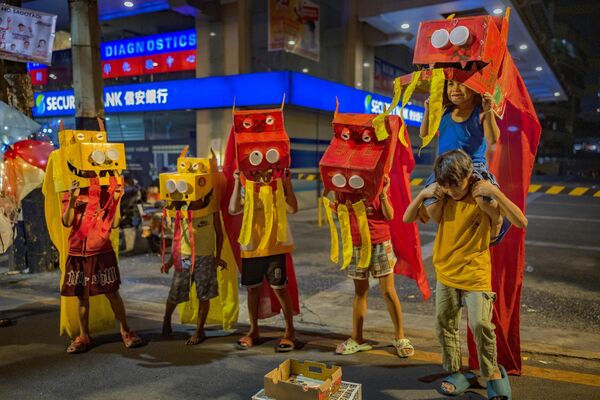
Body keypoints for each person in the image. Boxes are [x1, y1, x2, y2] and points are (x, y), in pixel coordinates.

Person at [404, 150, 527, 399]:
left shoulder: (483, 198)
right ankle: (455, 371)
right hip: (446, 272)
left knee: (481, 324)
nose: (452, 191)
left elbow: (520, 221)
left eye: (456, 185)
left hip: (475, 273)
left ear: (470, 175)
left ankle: (491, 373)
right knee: (444, 325)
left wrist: (494, 192)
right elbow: (407, 218)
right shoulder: (441, 197)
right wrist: (422, 194)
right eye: (446, 187)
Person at [327, 176, 414, 358]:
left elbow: (390, 215)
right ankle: (357, 338)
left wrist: (382, 193)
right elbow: (337, 210)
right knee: (360, 292)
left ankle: (400, 337)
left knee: (388, 291)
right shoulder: (343, 185)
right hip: (356, 243)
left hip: (380, 241)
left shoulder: (377, 181)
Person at [61, 180, 143, 353]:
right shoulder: (71, 190)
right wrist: (73, 200)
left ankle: (125, 330)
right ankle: (84, 335)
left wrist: (116, 199)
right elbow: (67, 222)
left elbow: (114, 224)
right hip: (77, 253)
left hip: (102, 250)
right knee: (81, 296)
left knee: (112, 292)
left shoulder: (106, 191)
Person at [228, 168, 297, 352]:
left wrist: (287, 182)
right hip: (251, 247)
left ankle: (289, 331)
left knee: (280, 289)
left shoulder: (278, 186)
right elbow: (233, 209)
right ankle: (253, 331)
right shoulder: (247, 186)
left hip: (275, 245)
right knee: (252, 291)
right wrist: (236, 180)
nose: (264, 174)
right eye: (259, 170)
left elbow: (292, 208)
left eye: (268, 169)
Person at [420, 80, 501, 212]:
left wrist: (489, 111)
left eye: (462, 84)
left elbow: (493, 139)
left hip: (473, 167)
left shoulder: (480, 112)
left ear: (474, 88)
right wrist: (428, 110)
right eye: (451, 84)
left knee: (486, 202)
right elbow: (424, 134)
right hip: (445, 167)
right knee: (431, 206)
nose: (455, 89)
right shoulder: (444, 111)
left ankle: (496, 223)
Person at [161, 199, 226, 345]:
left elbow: (219, 234)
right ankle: (167, 320)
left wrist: (218, 257)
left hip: (206, 258)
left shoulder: (212, 208)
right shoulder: (182, 208)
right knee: (176, 291)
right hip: (185, 257)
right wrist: (171, 261)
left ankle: (199, 330)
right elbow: (177, 236)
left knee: (204, 295)